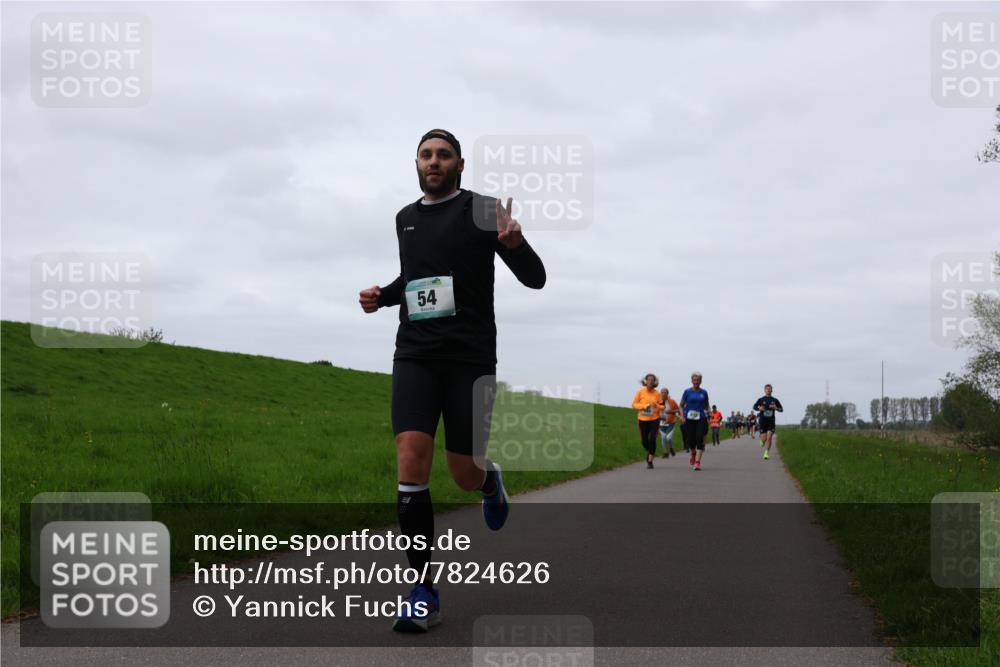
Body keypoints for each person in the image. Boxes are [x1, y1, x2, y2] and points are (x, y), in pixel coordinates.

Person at [359, 129, 546, 632]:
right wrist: (385, 295)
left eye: (443, 154)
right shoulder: (406, 218)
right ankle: (423, 590)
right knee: (411, 456)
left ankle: (490, 481)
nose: (434, 161)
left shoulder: (483, 210)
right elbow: (419, 279)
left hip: (469, 359)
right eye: (426, 154)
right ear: (416, 163)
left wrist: (517, 243)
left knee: (463, 471)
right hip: (415, 355)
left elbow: (535, 278)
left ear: (460, 163)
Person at [679, 372, 711, 471]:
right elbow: (681, 405)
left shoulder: (704, 392)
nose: (696, 382)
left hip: (701, 418)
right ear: (692, 381)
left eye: (698, 380)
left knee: (699, 438)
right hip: (689, 419)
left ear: (700, 381)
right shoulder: (687, 392)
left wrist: (709, 412)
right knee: (691, 440)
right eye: (694, 380)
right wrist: (682, 416)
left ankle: (697, 462)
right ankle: (693, 453)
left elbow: (707, 405)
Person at [632, 374, 664, 468]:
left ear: (654, 382)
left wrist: (657, 406)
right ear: (645, 381)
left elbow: (663, 406)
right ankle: (651, 451)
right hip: (642, 419)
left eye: (652, 380)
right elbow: (634, 404)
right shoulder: (640, 392)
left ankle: (650, 461)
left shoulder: (657, 394)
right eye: (648, 379)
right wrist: (643, 406)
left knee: (652, 439)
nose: (650, 381)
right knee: (644, 441)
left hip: (654, 419)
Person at [753, 384, 784, 460]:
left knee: (769, 437)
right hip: (763, 421)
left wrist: (776, 408)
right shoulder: (761, 399)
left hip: (771, 421)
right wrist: (759, 408)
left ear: (772, 390)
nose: (768, 390)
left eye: (769, 389)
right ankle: (762, 441)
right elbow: (754, 407)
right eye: (767, 389)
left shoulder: (775, 400)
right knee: (764, 439)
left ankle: (766, 453)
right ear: (764, 390)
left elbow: (781, 409)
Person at [659, 387, 681, 458]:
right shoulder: (657, 402)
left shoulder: (672, 401)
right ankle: (666, 452)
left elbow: (678, 410)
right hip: (661, 423)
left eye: (664, 392)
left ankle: (671, 448)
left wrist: (670, 412)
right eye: (661, 392)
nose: (662, 394)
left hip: (671, 422)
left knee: (668, 438)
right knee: (663, 438)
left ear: (667, 394)